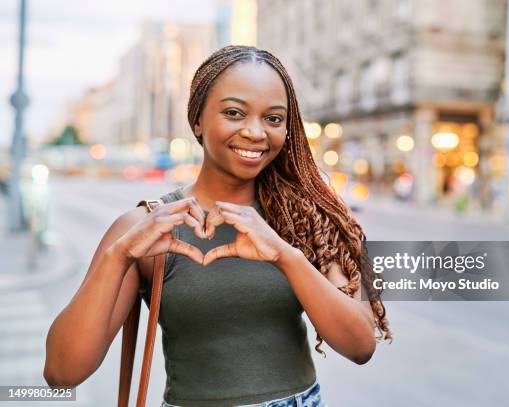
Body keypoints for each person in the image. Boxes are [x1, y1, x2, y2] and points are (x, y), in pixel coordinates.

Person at [44, 45, 392, 407]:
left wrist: (285, 255)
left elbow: (360, 345)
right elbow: (61, 373)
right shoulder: (145, 227)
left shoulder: (305, 219)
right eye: (234, 113)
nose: (256, 132)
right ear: (198, 119)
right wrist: (119, 256)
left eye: (273, 119)